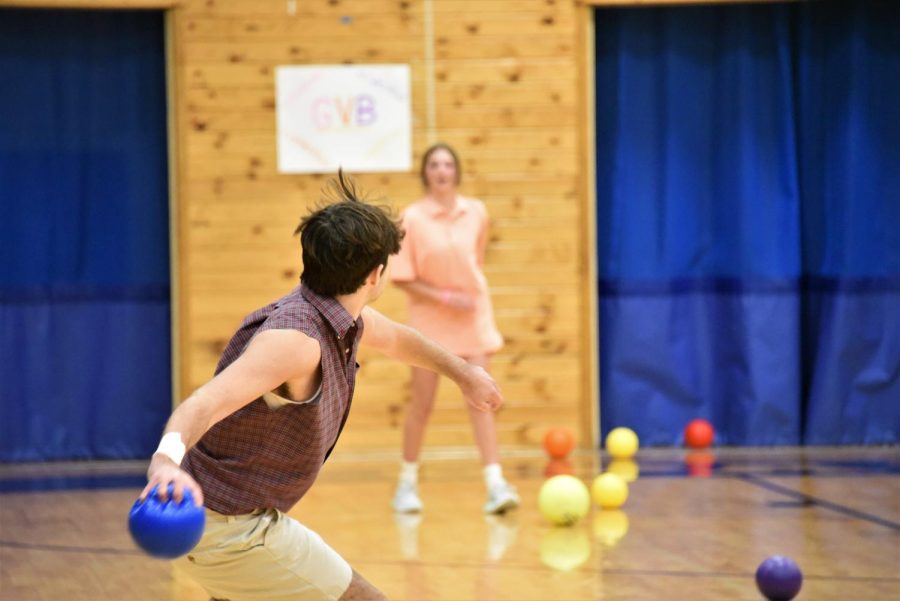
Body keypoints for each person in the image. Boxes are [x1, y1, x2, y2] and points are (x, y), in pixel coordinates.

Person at [139, 172, 505, 601]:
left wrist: (465, 374)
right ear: (375, 275)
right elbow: (205, 402)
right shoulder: (294, 341)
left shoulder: (339, 316)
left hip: (239, 519)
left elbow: (400, 339)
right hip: (229, 529)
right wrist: (165, 462)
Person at [389, 143, 520, 515]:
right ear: (425, 172)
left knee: (482, 399)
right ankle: (407, 485)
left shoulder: (476, 212)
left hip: (473, 319)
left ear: (457, 171)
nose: (442, 170)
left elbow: (474, 261)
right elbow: (403, 277)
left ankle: (495, 486)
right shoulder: (411, 218)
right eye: (434, 164)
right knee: (423, 404)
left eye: (448, 164)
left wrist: (466, 297)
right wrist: (446, 297)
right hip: (430, 324)